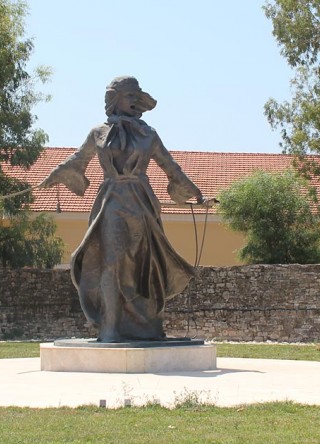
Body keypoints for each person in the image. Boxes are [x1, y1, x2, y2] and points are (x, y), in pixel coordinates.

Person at [39, 76, 206, 342]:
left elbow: (171, 168)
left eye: (136, 97)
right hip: (112, 200)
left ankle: (147, 324)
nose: (135, 101)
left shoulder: (148, 134)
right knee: (111, 262)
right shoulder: (98, 133)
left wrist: (197, 195)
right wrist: (56, 174)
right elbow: (78, 159)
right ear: (114, 99)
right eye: (130, 96)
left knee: (142, 263)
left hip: (141, 203)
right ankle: (110, 326)